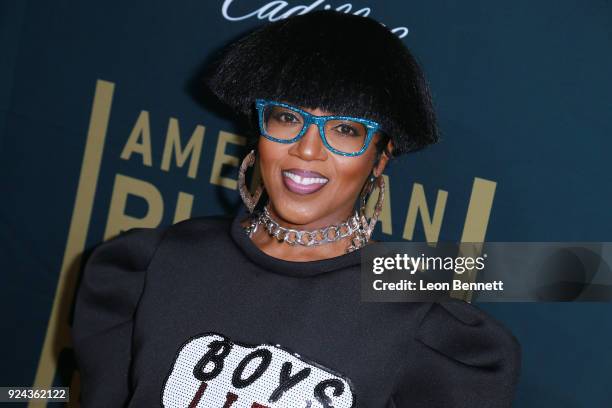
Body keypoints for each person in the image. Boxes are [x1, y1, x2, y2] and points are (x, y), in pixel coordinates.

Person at [71, 10, 521, 408]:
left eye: (345, 129)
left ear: (381, 158)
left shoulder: (416, 312)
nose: (307, 150)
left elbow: (578, 271)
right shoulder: (160, 262)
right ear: (260, 131)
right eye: (287, 117)